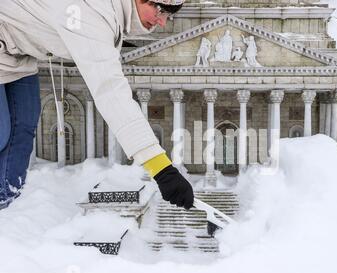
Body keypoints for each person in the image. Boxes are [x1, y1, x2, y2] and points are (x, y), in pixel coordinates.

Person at [0, 0, 194, 210]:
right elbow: (110, 92)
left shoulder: (109, 13)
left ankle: (5, 201)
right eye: (161, 10)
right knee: (2, 132)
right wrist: (161, 169)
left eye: (169, 16)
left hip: (18, 55)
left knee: (22, 130)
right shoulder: (92, 15)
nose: (163, 22)